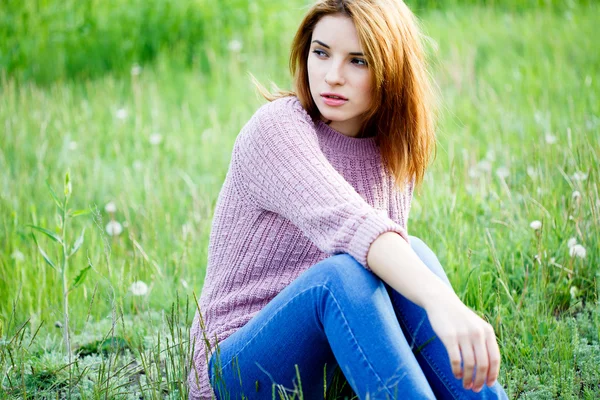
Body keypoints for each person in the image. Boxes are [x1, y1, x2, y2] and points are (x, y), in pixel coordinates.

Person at [188, 0, 509, 398]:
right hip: (234, 369)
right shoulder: (278, 129)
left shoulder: (388, 152)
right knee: (342, 274)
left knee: (415, 255)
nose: (332, 76)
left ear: (391, 71)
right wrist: (442, 301)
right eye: (320, 53)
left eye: (358, 61)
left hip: (329, 360)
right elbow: (354, 226)